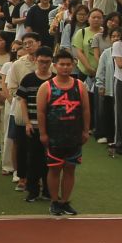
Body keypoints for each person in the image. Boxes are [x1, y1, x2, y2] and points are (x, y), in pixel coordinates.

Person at [35, 49, 88, 218]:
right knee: (54, 169)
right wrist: (43, 133)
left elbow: (86, 110)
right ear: (55, 66)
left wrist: (86, 130)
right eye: (62, 64)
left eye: (68, 64)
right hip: (54, 137)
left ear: (73, 66)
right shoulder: (46, 87)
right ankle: (54, 201)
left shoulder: (79, 85)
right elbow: (41, 112)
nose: (65, 68)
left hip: (74, 135)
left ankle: (65, 201)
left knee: (70, 169)